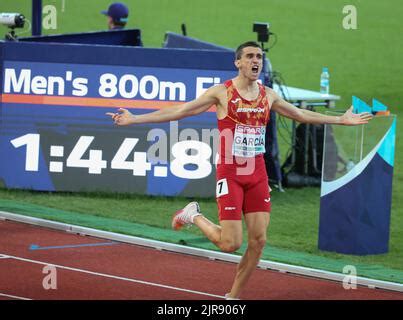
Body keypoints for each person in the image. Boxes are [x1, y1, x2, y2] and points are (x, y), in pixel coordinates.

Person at [106, 41, 372, 299]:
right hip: (230, 173)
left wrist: (340, 119)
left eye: (259, 57)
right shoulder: (221, 93)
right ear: (238, 62)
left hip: (257, 174)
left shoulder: (268, 95)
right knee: (230, 244)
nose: (256, 61)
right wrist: (135, 119)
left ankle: (232, 297)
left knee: (258, 242)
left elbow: (300, 115)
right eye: (250, 57)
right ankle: (193, 214)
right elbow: (181, 111)